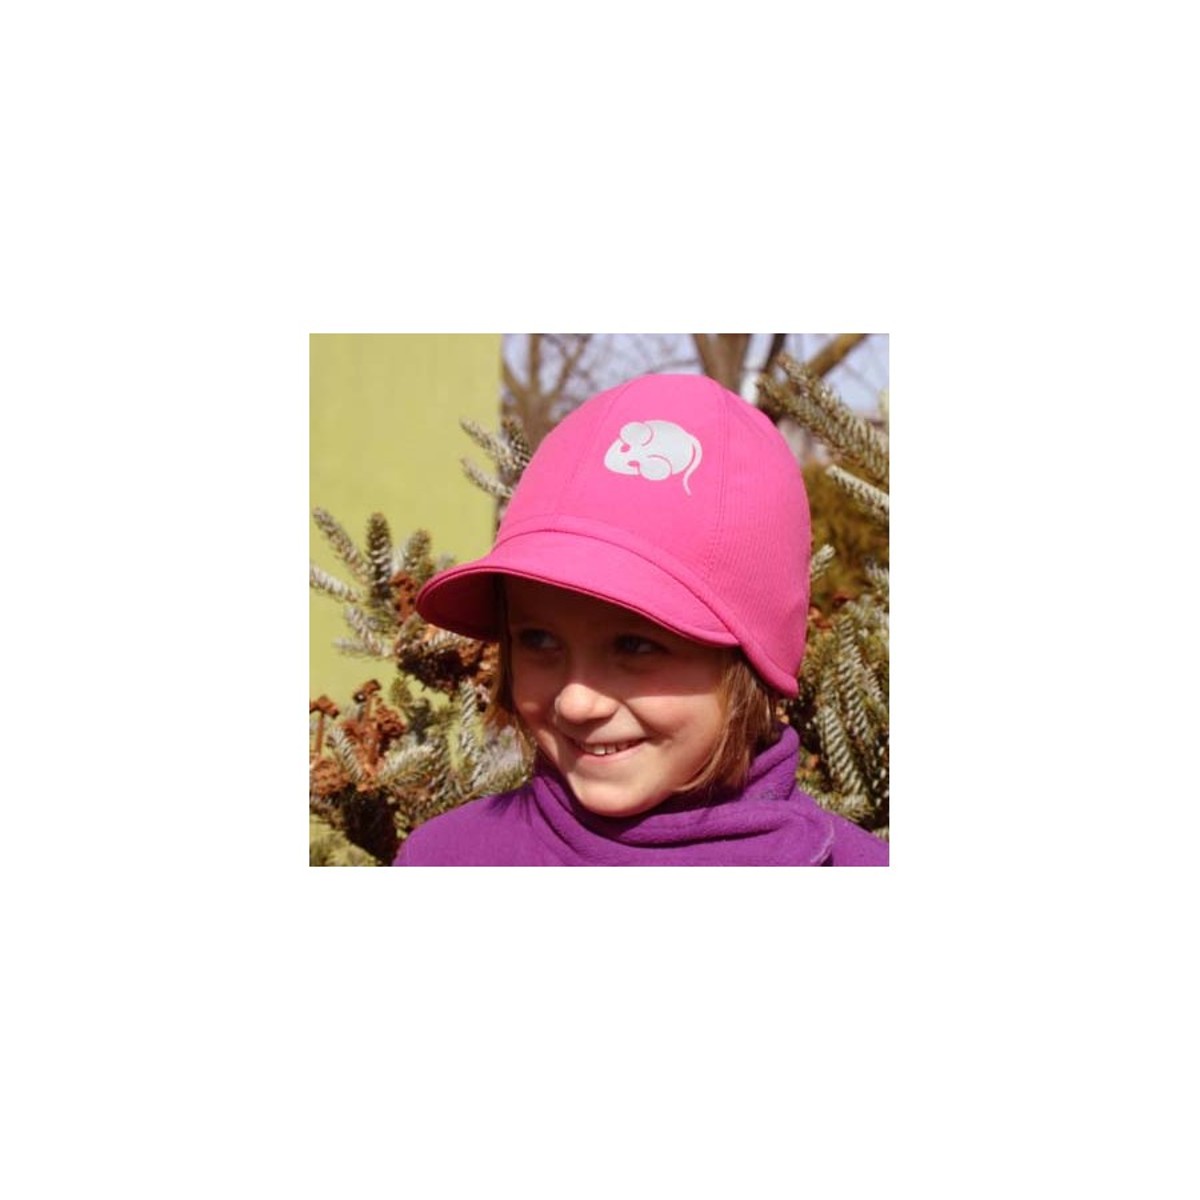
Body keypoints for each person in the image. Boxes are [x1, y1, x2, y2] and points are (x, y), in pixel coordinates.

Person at [394, 373, 888, 866]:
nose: (576, 703)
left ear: (755, 661)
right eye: (538, 640)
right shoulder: (444, 859)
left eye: (635, 645)